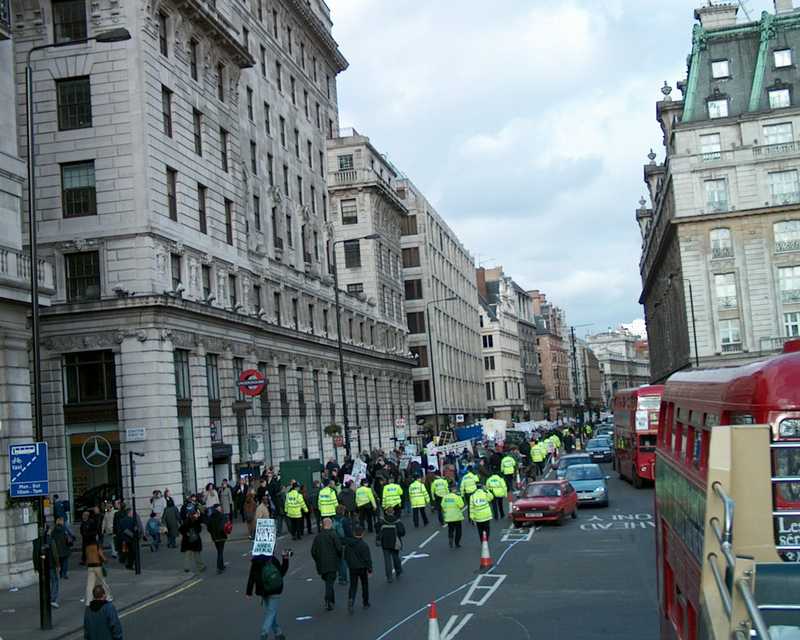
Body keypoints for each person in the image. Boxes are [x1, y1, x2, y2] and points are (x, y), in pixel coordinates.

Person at [246, 549, 290, 640]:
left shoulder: (255, 562)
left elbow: (251, 577)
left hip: (263, 591)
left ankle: (278, 633)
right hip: (275, 590)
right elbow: (281, 573)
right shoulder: (273, 560)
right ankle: (264, 633)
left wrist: (249, 591)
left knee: (270, 612)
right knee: (271, 612)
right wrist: (285, 559)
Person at [311, 518, 343, 611]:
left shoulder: (318, 537)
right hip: (332, 563)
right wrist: (339, 557)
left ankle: (331, 600)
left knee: (328, 582)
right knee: (330, 583)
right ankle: (328, 600)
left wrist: (318, 560)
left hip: (321, 564)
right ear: (330, 524)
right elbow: (339, 548)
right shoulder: (333, 535)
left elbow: (313, 551)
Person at [344, 526, 372, 613]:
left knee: (353, 585)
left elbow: (345, 556)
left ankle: (351, 599)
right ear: (362, 534)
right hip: (362, 567)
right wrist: (369, 569)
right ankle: (365, 602)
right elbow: (367, 558)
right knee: (364, 584)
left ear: (353, 534)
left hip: (352, 567)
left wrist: (349, 564)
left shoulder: (348, 545)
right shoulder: (364, 545)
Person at [33, 523, 60, 608]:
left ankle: (46, 599)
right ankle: (53, 599)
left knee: (45, 583)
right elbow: (55, 553)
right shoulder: (50, 540)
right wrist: (58, 564)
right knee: (54, 581)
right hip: (50, 565)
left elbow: (34, 555)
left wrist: (36, 567)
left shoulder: (36, 542)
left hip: (41, 566)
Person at [375, 507, 405, 583]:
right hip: (395, 542)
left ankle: (389, 577)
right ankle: (398, 571)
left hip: (385, 542)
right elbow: (402, 532)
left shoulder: (382, 521)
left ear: (386, 512)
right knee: (395, 557)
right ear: (393, 512)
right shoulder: (397, 521)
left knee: (387, 560)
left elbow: (377, 528)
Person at [84, 534, 113, 606]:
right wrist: (105, 559)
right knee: (103, 582)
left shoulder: (87, 546)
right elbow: (100, 554)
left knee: (90, 585)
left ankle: (88, 601)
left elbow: (86, 556)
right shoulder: (97, 545)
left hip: (90, 566)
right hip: (97, 565)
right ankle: (108, 597)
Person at [179, 505, 205, 573]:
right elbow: (199, 529)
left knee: (187, 555)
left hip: (187, 540)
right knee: (197, 554)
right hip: (195, 539)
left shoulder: (186, 521)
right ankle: (201, 567)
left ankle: (186, 567)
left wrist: (186, 533)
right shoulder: (196, 520)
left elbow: (181, 529)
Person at [442, 483, 465, 548]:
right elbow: (461, 505)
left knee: (450, 529)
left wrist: (446, 511)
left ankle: (450, 538)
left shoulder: (445, 497)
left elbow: (442, 505)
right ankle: (457, 543)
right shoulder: (457, 497)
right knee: (458, 531)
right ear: (453, 489)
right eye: (455, 488)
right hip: (457, 517)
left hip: (449, 517)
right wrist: (460, 497)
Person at [207, 506, 228, 574]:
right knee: (220, 552)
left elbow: (208, 528)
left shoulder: (210, 517)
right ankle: (219, 567)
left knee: (219, 551)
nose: (220, 508)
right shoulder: (222, 516)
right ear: (217, 509)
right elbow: (224, 526)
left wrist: (212, 533)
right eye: (219, 508)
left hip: (214, 537)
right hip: (221, 536)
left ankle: (221, 566)